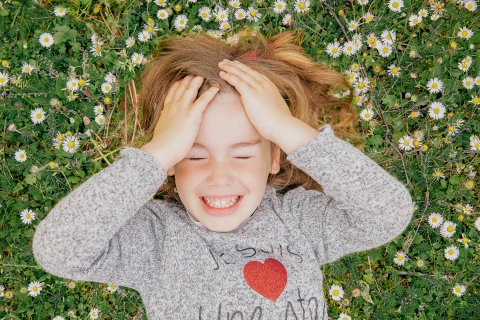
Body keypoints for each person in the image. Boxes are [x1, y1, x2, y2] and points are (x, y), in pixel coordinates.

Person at [32, 29, 413, 319]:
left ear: (274, 157)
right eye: (194, 156)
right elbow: (59, 251)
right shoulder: (154, 240)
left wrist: (287, 129)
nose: (219, 176)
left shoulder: (299, 221)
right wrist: (154, 155)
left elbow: (386, 212)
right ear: (170, 162)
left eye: (244, 154)